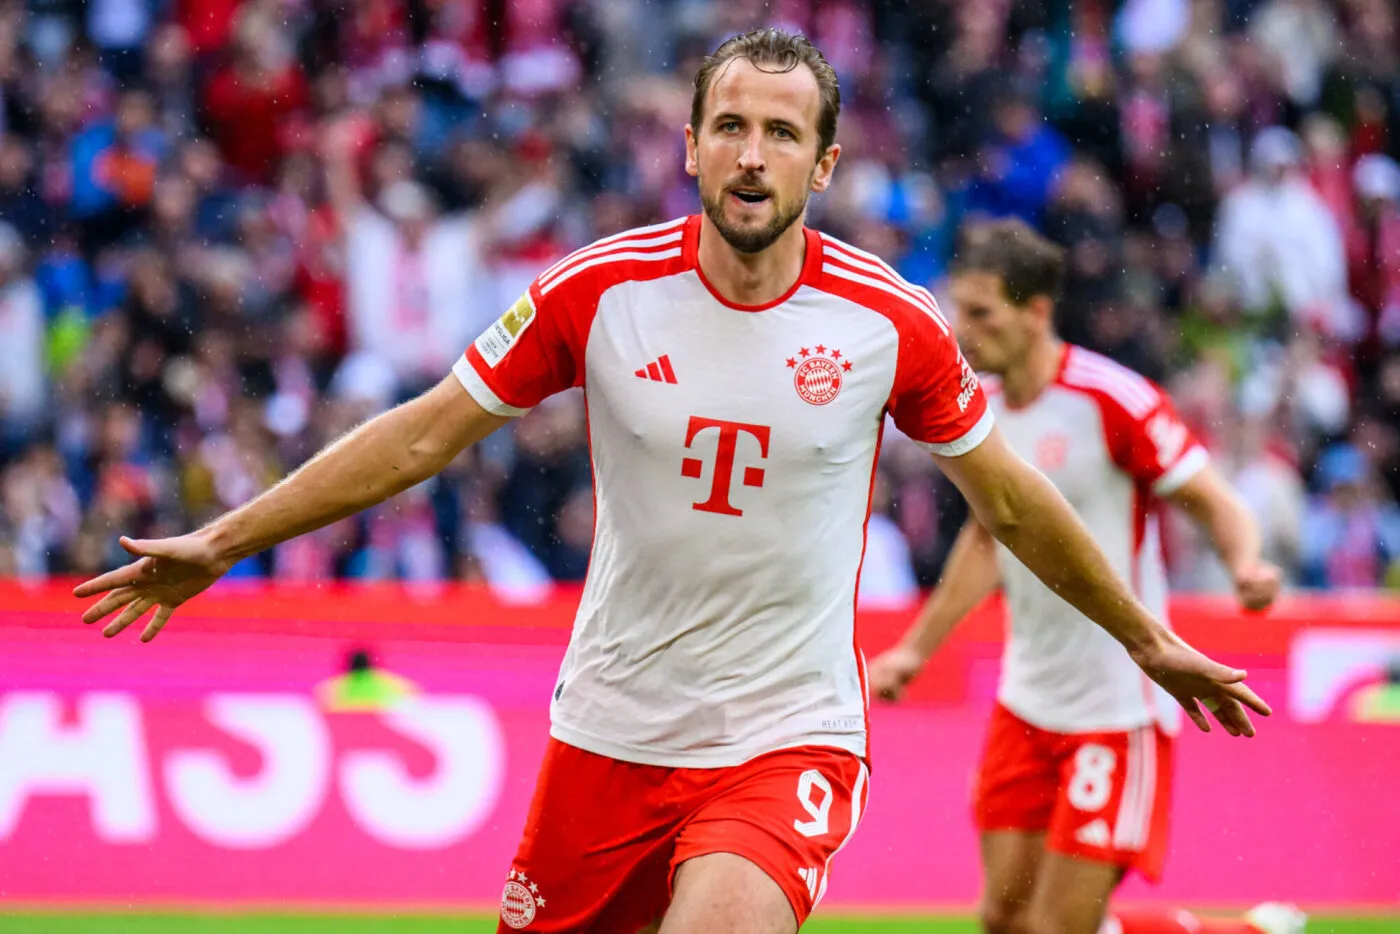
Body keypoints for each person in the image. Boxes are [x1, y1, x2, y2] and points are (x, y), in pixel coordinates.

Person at [75, 30, 1269, 934]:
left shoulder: (888, 324)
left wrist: (1143, 637)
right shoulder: (596, 292)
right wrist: (222, 542)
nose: (752, 155)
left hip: (785, 734)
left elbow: (1005, 502)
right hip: (610, 727)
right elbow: (422, 436)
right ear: (689, 146)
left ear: (823, 162)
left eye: (782, 134)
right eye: (730, 127)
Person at [869, 219, 1301, 934]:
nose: (964, 331)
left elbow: (1212, 499)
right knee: (1003, 919)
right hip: (1027, 700)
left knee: (1056, 928)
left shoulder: (1111, 399)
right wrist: (916, 650)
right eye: (959, 311)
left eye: (982, 313)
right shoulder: (982, 411)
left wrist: (1246, 562)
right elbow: (986, 540)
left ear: (1036, 311)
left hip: (1118, 707)